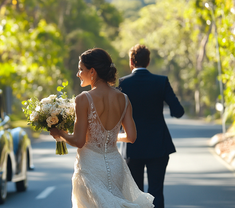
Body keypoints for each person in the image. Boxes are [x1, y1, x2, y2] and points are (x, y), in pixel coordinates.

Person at [50, 48, 154, 208]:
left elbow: (78, 141)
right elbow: (131, 137)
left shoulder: (83, 99)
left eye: (81, 69)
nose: (78, 73)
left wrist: (60, 133)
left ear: (92, 71)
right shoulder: (124, 99)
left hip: (91, 167)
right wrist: (109, 138)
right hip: (116, 165)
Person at [118, 44, 184, 208]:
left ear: (131, 62)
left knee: (135, 193)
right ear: (148, 62)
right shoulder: (161, 81)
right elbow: (178, 112)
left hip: (131, 146)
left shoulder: (122, 84)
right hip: (158, 145)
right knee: (156, 191)